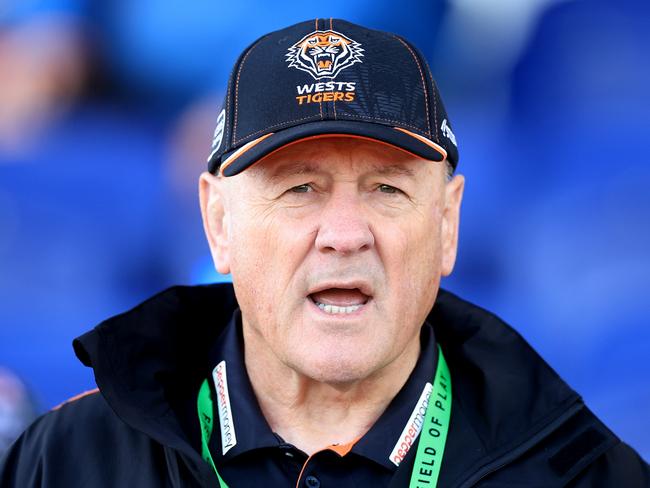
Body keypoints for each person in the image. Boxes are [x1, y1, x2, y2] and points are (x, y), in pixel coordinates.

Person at [0, 18, 647, 488]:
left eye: (386, 189)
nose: (344, 233)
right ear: (217, 222)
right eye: (300, 188)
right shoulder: (68, 462)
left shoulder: (580, 474)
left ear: (448, 225)